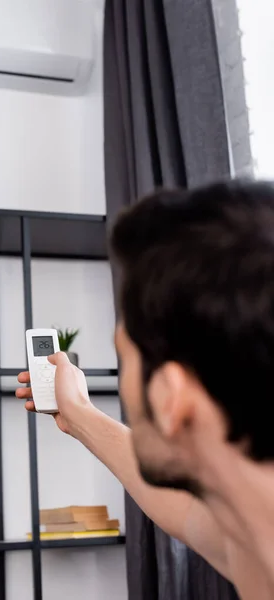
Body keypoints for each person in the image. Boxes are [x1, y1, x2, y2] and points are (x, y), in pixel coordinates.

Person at [16, 180, 274, 600]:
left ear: (171, 395)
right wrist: (78, 414)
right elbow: (188, 516)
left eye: (125, 357)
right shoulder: (251, 536)